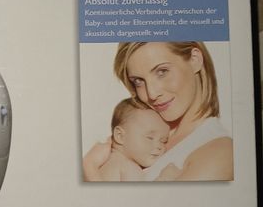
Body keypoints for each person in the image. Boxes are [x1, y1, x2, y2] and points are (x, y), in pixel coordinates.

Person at [84, 41, 233, 181]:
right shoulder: (139, 127)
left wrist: (89, 169)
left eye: (162, 72)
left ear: (195, 60)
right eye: (138, 81)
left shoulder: (219, 153)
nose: (152, 93)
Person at [97, 98, 170, 181]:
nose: (160, 146)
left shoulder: (107, 163)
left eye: (164, 141)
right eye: (150, 138)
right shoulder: (127, 167)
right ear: (120, 136)